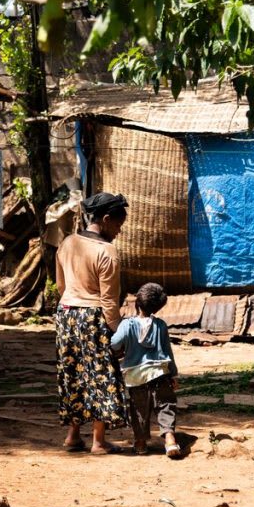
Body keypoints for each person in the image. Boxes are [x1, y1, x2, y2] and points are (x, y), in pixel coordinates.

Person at [54, 192, 130, 454]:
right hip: (93, 318)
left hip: (66, 315)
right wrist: (119, 333)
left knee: (73, 373)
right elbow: (110, 301)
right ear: (106, 219)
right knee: (100, 375)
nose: (118, 232)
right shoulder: (107, 252)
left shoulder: (66, 243)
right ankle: (98, 441)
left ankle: (72, 436)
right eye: (118, 226)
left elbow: (61, 285)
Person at [111, 282, 182, 458]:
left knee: (139, 410)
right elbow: (168, 352)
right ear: (157, 307)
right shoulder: (161, 325)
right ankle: (170, 440)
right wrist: (173, 374)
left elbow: (114, 344)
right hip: (160, 373)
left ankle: (141, 444)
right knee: (166, 405)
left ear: (137, 302)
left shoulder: (127, 325)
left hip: (136, 376)